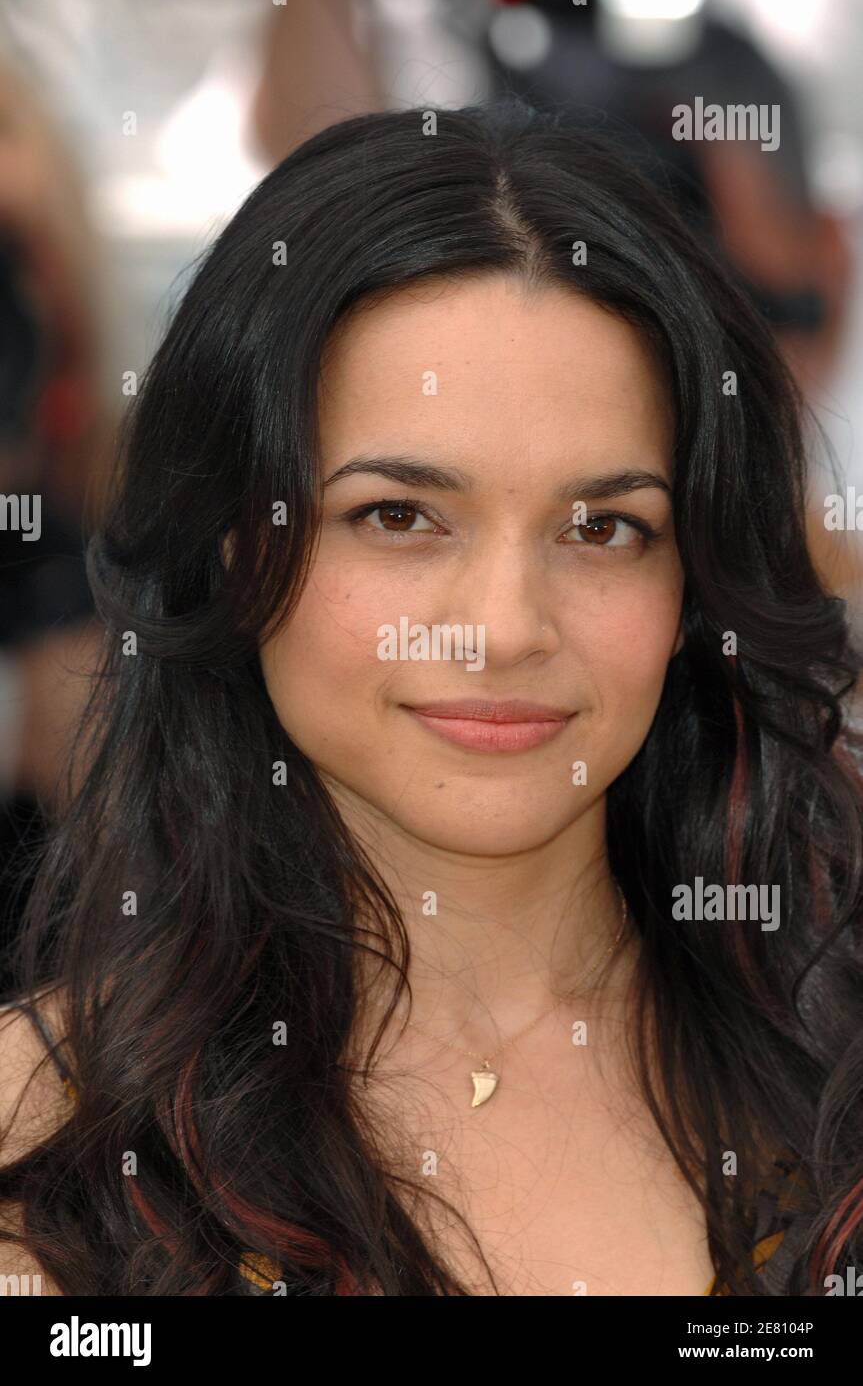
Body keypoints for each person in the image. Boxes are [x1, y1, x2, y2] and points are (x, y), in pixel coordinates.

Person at [0, 100, 861, 1297]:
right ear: (240, 547)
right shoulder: (43, 1153)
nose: (503, 627)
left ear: (693, 582)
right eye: (397, 517)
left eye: (601, 527)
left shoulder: (836, 1062)